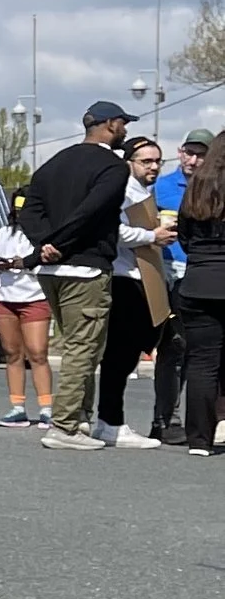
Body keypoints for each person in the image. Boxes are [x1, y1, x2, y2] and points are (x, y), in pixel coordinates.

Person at [20, 100, 132, 451]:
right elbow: (91, 210)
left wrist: (44, 245)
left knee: (79, 345)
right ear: (110, 124)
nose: (125, 130)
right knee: (83, 349)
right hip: (85, 266)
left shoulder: (54, 162)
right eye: (123, 124)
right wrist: (60, 243)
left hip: (51, 269)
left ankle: (81, 419)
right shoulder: (113, 167)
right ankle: (65, 426)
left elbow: (25, 205)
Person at [91, 135, 170, 447]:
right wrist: (152, 234)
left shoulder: (144, 191)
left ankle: (107, 420)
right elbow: (114, 230)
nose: (153, 167)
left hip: (142, 275)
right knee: (119, 354)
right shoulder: (122, 189)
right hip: (123, 276)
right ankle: (111, 421)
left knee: (130, 352)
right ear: (129, 162)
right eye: (145, 161)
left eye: (156, 161)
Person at [149, 126, 210, 441]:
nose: (194, 160)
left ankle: (199, 421)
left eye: (201, 154)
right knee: (174, 346)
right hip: (169, 270)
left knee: (199, 352)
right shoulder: (161, 187)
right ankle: (165, 419)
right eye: (190, 152)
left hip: (204, 273)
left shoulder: (215, 189)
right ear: (181, 152)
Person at [170, 132, 225, 459]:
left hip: (199, 281)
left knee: (202, 363)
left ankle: (199, 439)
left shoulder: (196, 189)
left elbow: (185, 237)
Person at [0, 214, 53, 423]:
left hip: (35, 298)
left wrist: (21, 264)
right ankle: (17, 407)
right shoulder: (2, 234)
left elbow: (46, 264)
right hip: (5, 299)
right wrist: (0, 266)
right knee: (12, 353)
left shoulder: (43, 233)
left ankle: (47, 408)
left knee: (37, 352)